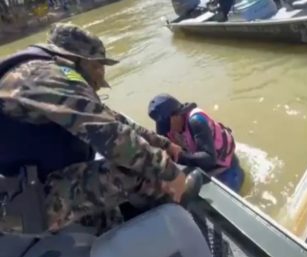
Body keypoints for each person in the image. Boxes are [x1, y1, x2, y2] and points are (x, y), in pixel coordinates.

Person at [0, 22, 186, 234]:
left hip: (29, 187)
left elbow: (111, 119)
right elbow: (111, 136)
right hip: (19, 204)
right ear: (77, 59)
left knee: (104, 192)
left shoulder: (38, 71)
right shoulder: (43, 74)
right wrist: (170, 172)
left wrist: (163, 144)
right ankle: (175, 215)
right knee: (132, 171)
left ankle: (116, 240)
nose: (100, 77)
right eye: (97, 65)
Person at [148, 93, 245, 193]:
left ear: (176, 114)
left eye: (167, 123)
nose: (168, 129)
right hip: (201, 167)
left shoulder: (196, 121)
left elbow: (209, 159)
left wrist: (179, 156)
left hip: (226, 169)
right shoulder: (166, 129)